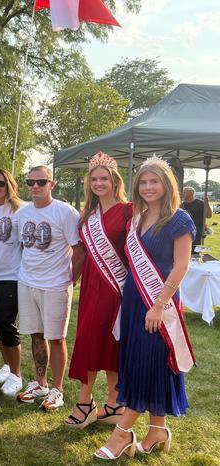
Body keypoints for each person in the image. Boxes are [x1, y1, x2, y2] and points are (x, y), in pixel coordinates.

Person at [95, 156, 195, 460]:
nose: (149, 187)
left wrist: (159, 303)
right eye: (144, 182)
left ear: (167, 185)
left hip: (158, 302)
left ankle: (121, 434)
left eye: (155, 181)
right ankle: (157, 429)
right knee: (146, 361)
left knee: (148, 361)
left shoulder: (179, 219)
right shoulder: (138, 217)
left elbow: (181, 266)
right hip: (135, 301)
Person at [66, 152, 132, 428]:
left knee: (109, 341)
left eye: (104, 178)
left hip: (116, 286)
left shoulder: (129, 210)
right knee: (90, 337)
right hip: (93, 283)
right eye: (94, 179)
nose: (99, 183)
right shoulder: (89, 214)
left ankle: (106, 404)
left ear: (115, 180)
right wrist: (71, 279)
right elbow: (80, 254)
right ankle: (94, 401)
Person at [16, 165, 83, 411]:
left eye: (41, 182)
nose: (35, 186)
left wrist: (69, 279)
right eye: (30, 181)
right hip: (27, 282)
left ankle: (58, 389)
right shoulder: (23, 213)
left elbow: (79, 250)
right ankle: (41, 383)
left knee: (55, 337)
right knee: (35, 333)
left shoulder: (65, 212)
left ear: (52, 184)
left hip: (55, 285)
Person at [0, 169, 24, 398]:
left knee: (7, 324)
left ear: (9, 185)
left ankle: (17, 375)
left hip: (12, 275)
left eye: (1, 183)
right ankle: (7, 367)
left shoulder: (20, 209)